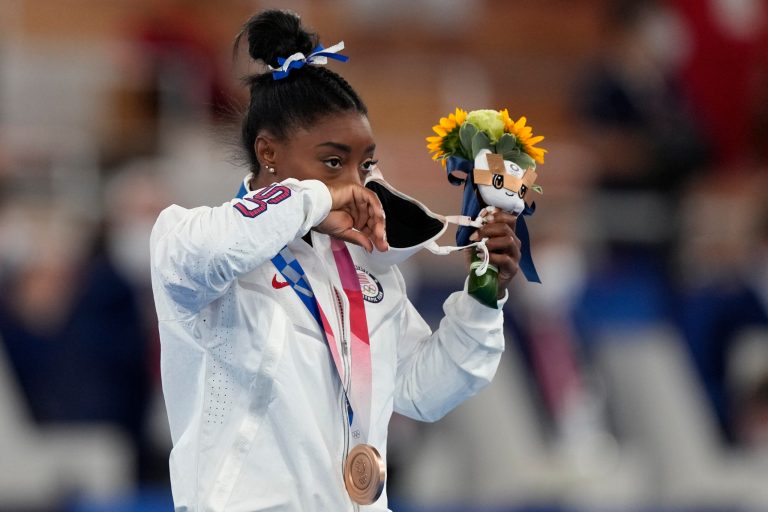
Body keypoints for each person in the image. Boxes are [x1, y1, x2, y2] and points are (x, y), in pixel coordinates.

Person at [150, 9, 522, 511]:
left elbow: (424, 392)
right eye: (333, 162)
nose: (355, 183)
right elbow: (221, 246)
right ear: (268, 153)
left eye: (364, 164)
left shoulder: (366, 271)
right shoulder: (190, 240)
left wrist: (483, 294)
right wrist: (316, 199)